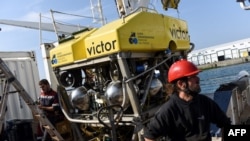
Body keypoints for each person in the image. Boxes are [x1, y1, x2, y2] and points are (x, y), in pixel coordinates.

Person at [143, 59, 231, 141]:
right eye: (193, 76)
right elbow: (149, 136)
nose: (198, 79)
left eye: (196, 75)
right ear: (181, 84)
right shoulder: (169, 110)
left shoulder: (205, 102)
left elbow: (225, 123)